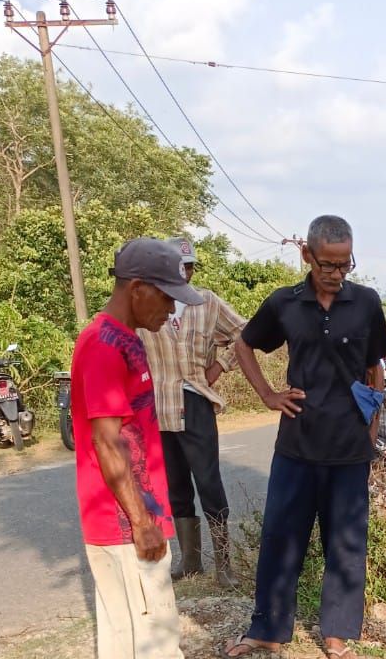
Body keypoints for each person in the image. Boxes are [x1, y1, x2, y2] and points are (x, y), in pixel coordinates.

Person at [223, 215, 386, 659]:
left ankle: (336, 635)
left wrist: (370, 432)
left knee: (346, 544)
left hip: (349, 448)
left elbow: (375, 368)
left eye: (345, 265)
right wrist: (267, 395)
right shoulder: (285, 303)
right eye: (328, 265)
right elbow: (244, 344)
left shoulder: (366, 302)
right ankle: (269, 630)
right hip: (296, 446)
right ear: (306, 255)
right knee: (281, 538)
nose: (337, 275)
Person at [70, 237, 204, 659]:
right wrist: (141, 522)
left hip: (130, 521)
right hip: (126, 527)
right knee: (156, 643)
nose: (170, 309)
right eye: (167, 298)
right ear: (137, 289)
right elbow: (107, 442)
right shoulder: (104, 346)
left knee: (126, 644)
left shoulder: (123, 338)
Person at [138, 237, 247, 588]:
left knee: (209, 482)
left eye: (189, 266)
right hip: (159, 404)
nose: (184, 272)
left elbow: (245, 332)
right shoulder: (149, 304)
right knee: (176, 485)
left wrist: (219, 368)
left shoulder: (207, 302)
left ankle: (225, 565)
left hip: (197, 400)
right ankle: (190, 561)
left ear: (194, 269)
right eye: (177, 266)